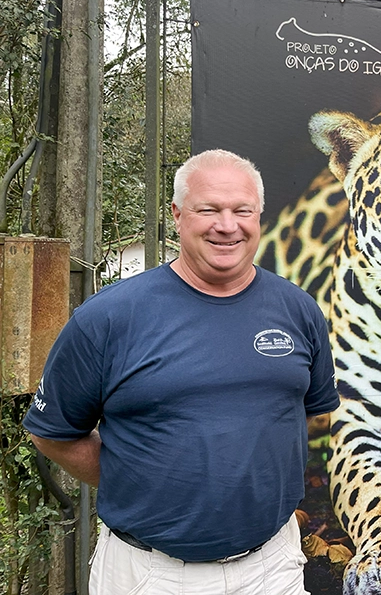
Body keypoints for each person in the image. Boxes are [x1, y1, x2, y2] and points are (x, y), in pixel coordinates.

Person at [24, 150, 340, 594]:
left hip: (272, 568)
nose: (227, 225)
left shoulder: (299, 310)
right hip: (150, 573)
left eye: (242, 211)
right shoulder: (108, 318)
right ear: (177, 215)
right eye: (208, 210)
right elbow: (53, 434)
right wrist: (140, 481)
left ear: (259, 216)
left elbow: (304, 412)